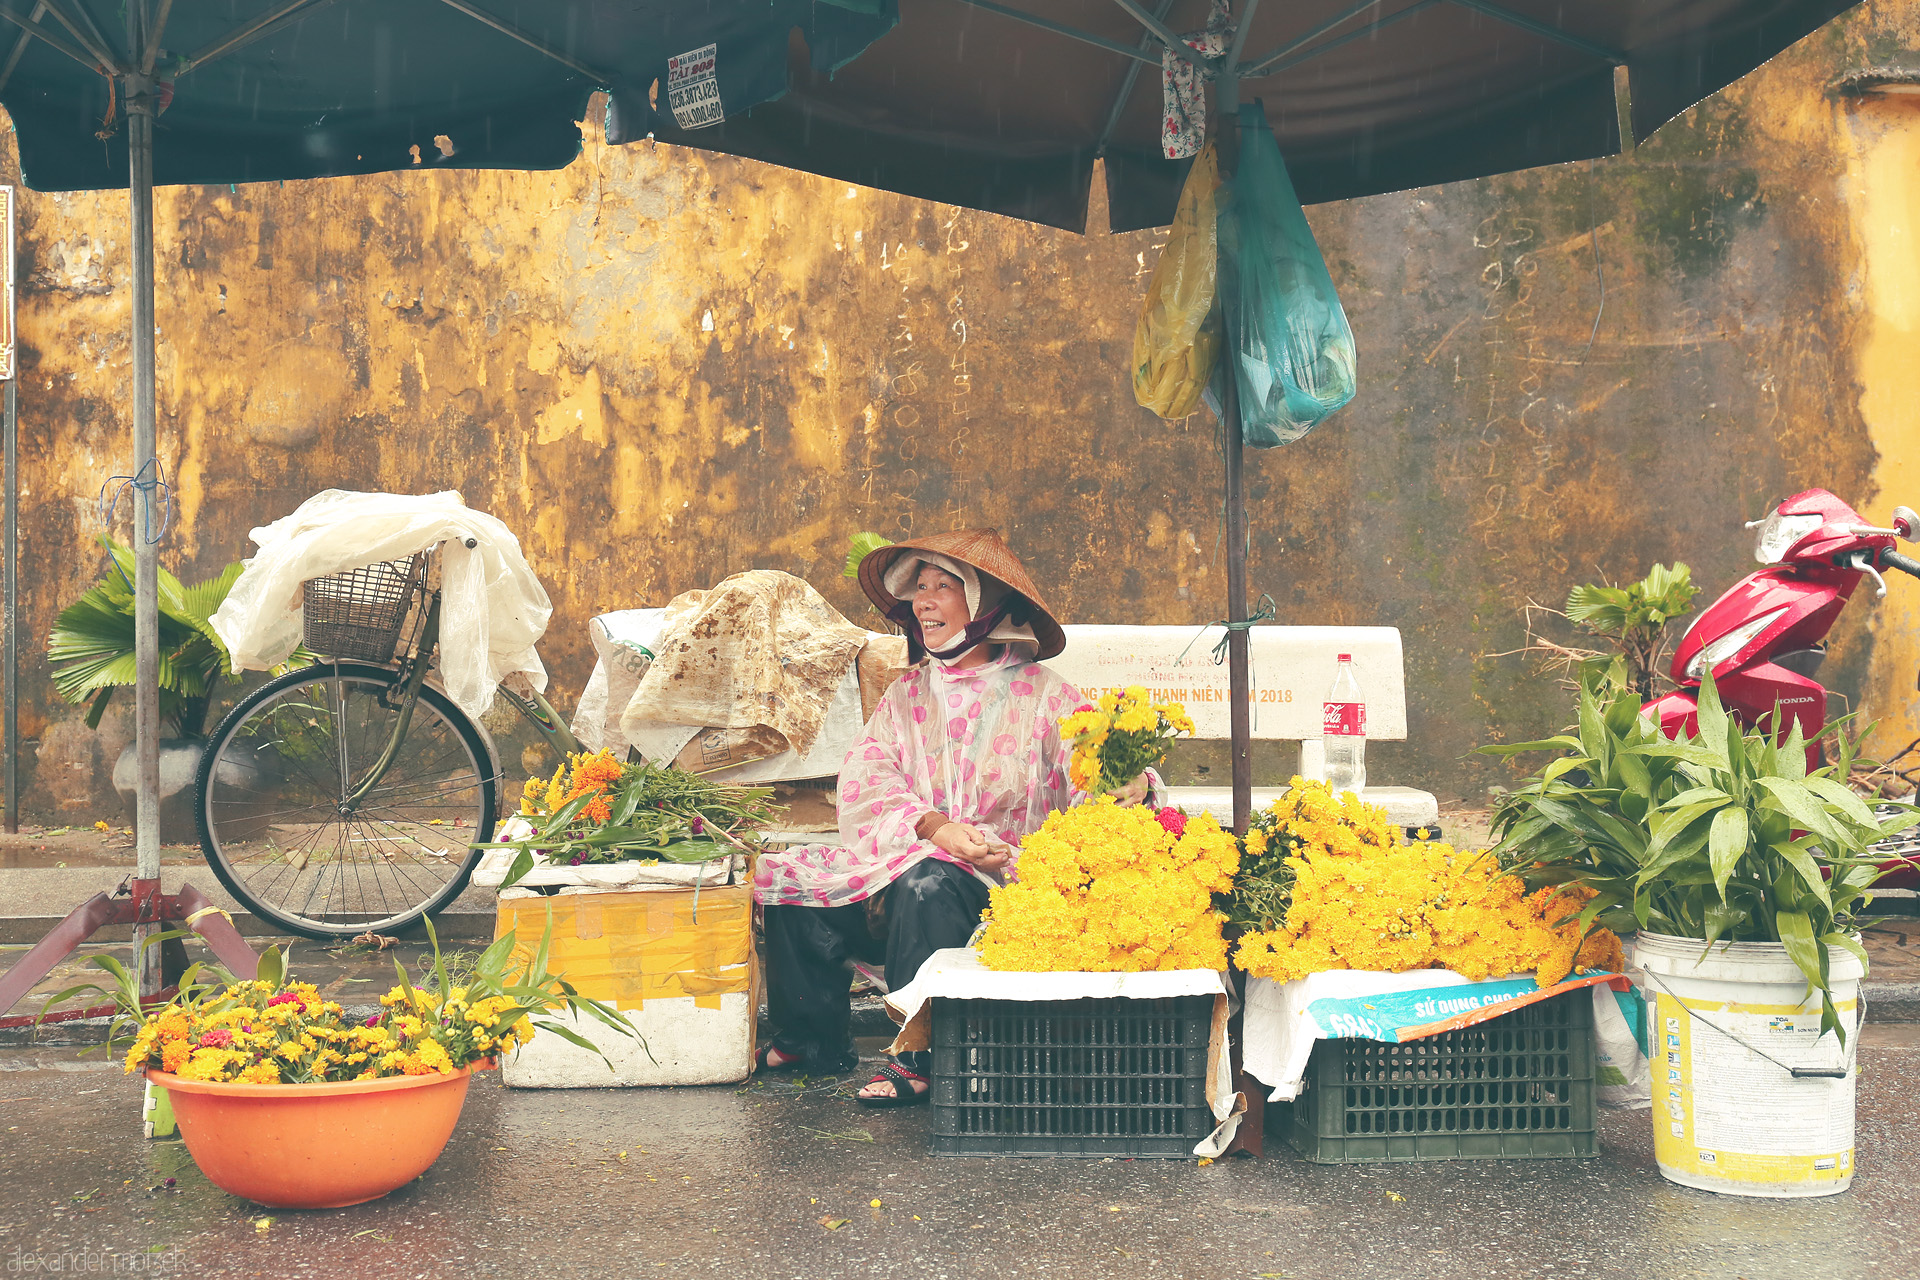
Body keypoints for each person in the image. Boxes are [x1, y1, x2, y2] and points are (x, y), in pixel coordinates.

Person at [751, 529, 1154, 1107]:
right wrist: (935, 828)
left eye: (944, 587)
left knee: (929, 883)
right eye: (920, 588)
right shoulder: (908, 694)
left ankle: (919, 1056)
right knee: (793, 880)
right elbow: (869, 776)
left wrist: (1130, 782)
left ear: (986, 605)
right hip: (911, 856)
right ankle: (809, 1039)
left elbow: (1106, 784)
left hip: (1002, 881)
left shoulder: (1048, 698)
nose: (924, 601)